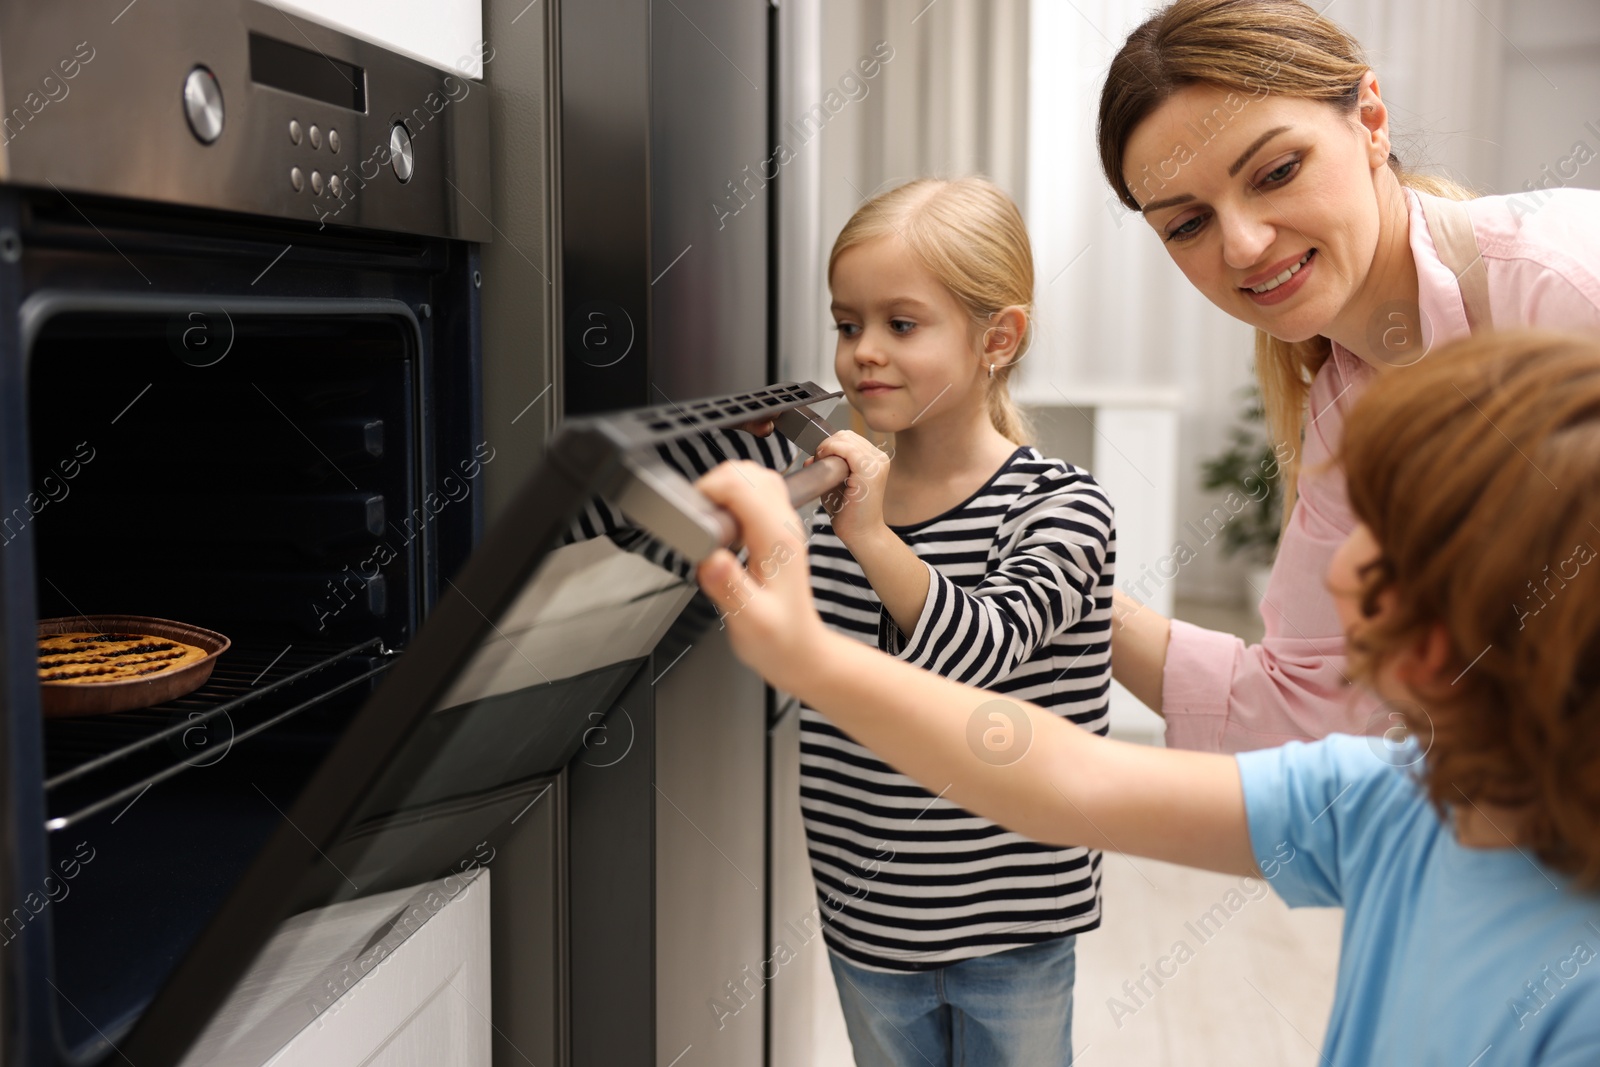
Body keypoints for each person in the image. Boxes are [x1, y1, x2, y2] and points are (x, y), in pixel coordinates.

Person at [694, 328, 1600, 1066]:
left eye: (1374, 524)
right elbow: (1069, 776)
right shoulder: (1392, 797)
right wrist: (812, 656)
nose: (1336, 552)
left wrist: (812, 650)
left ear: (1446, 625)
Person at [581, 176, 1114, 1065]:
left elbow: (975, 653)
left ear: (998, 338)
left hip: (1014, 927)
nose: (863, 352)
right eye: (847, 323)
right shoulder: (823, 494)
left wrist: (867, 533)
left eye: (901, 325)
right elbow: (656, 546)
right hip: (868, 917)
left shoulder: (1059, 507)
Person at [1096, 0, 1600, 752]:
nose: (1242, 245)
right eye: (1188, 224)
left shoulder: (1566, 281)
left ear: (1370, 120)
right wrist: (1066, 585)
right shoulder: (1342, 415)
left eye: (1275, 172)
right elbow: (1305, 702)